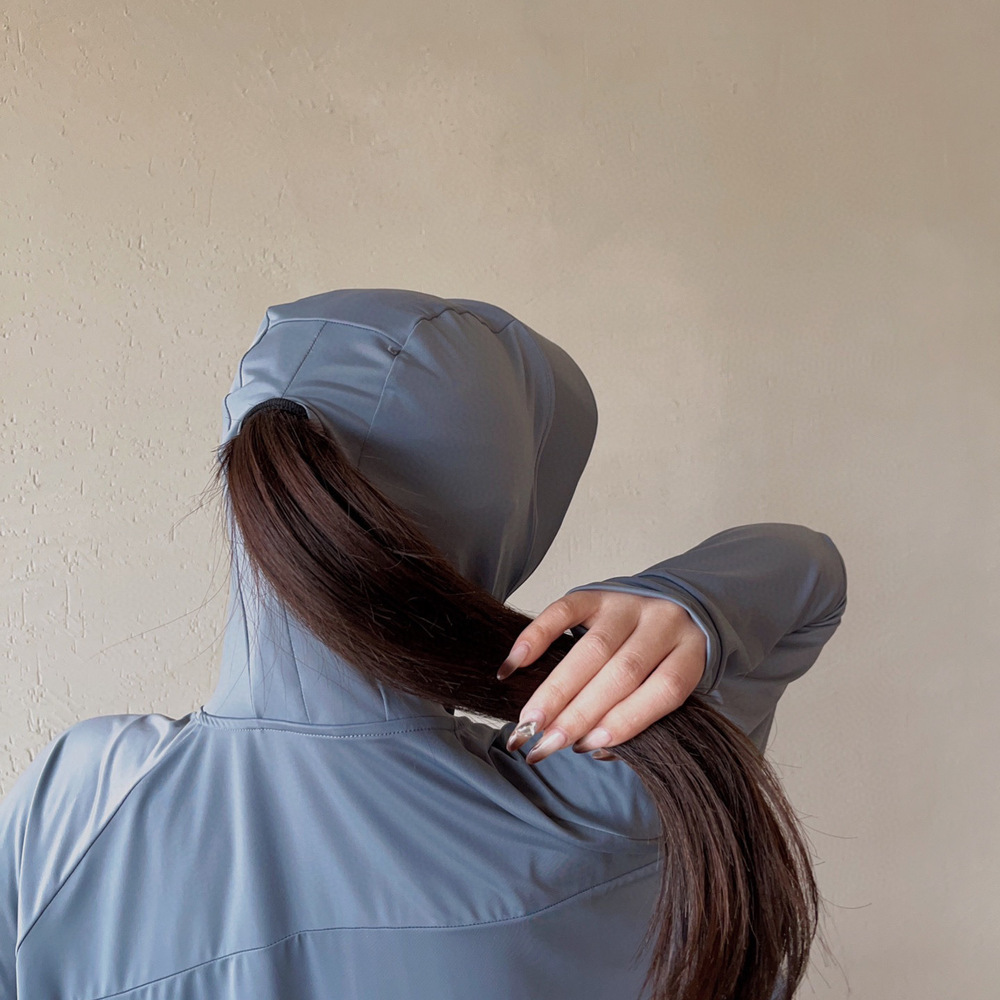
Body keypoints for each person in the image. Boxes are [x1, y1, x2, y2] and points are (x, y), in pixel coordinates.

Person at [0, 288, 847, 1000]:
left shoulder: (77, 803)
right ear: (497, 519)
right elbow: (809, 575)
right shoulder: (607, 801)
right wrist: (688, 606)